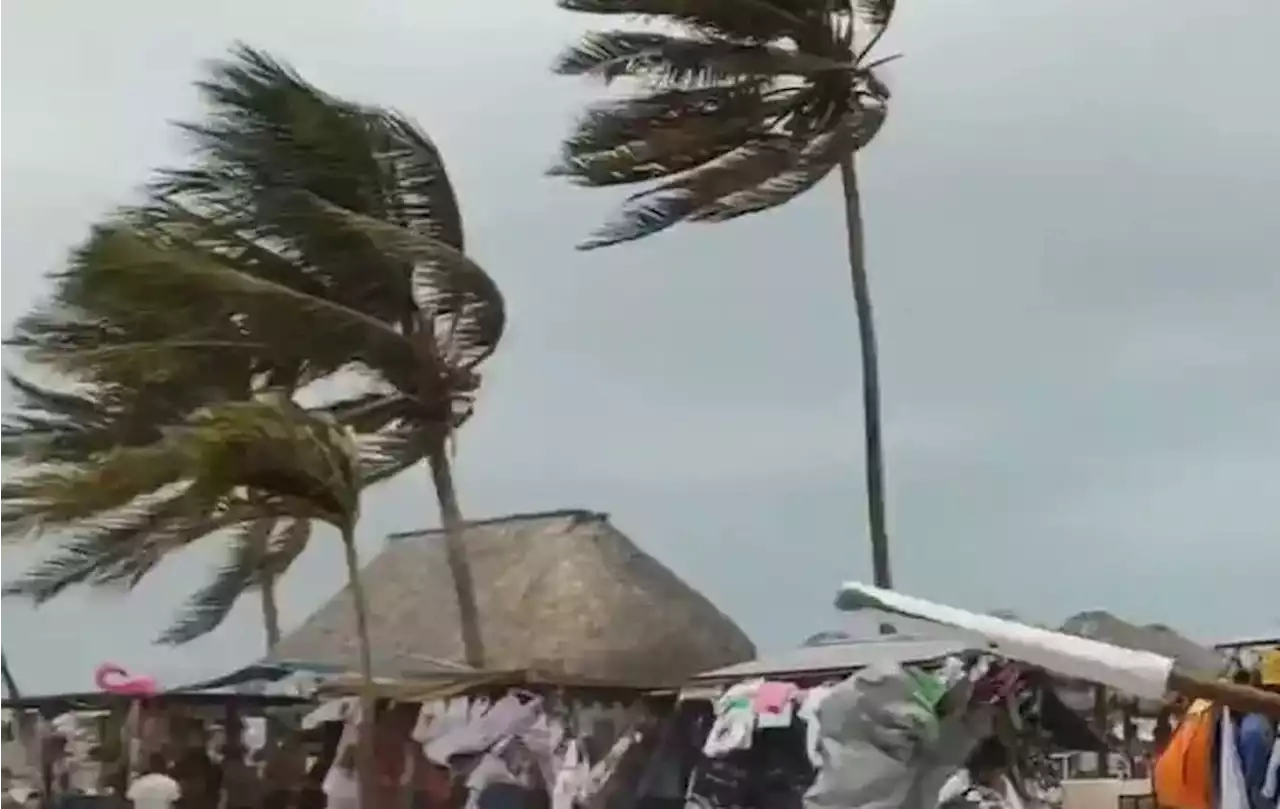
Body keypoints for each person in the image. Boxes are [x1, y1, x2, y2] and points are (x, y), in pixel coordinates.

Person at [938, 738, 1023, 809]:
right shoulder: (954, 788)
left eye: (1001, 773)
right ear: (983, 770)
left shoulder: (1003, 785)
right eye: (997, 773)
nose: (999, 777)